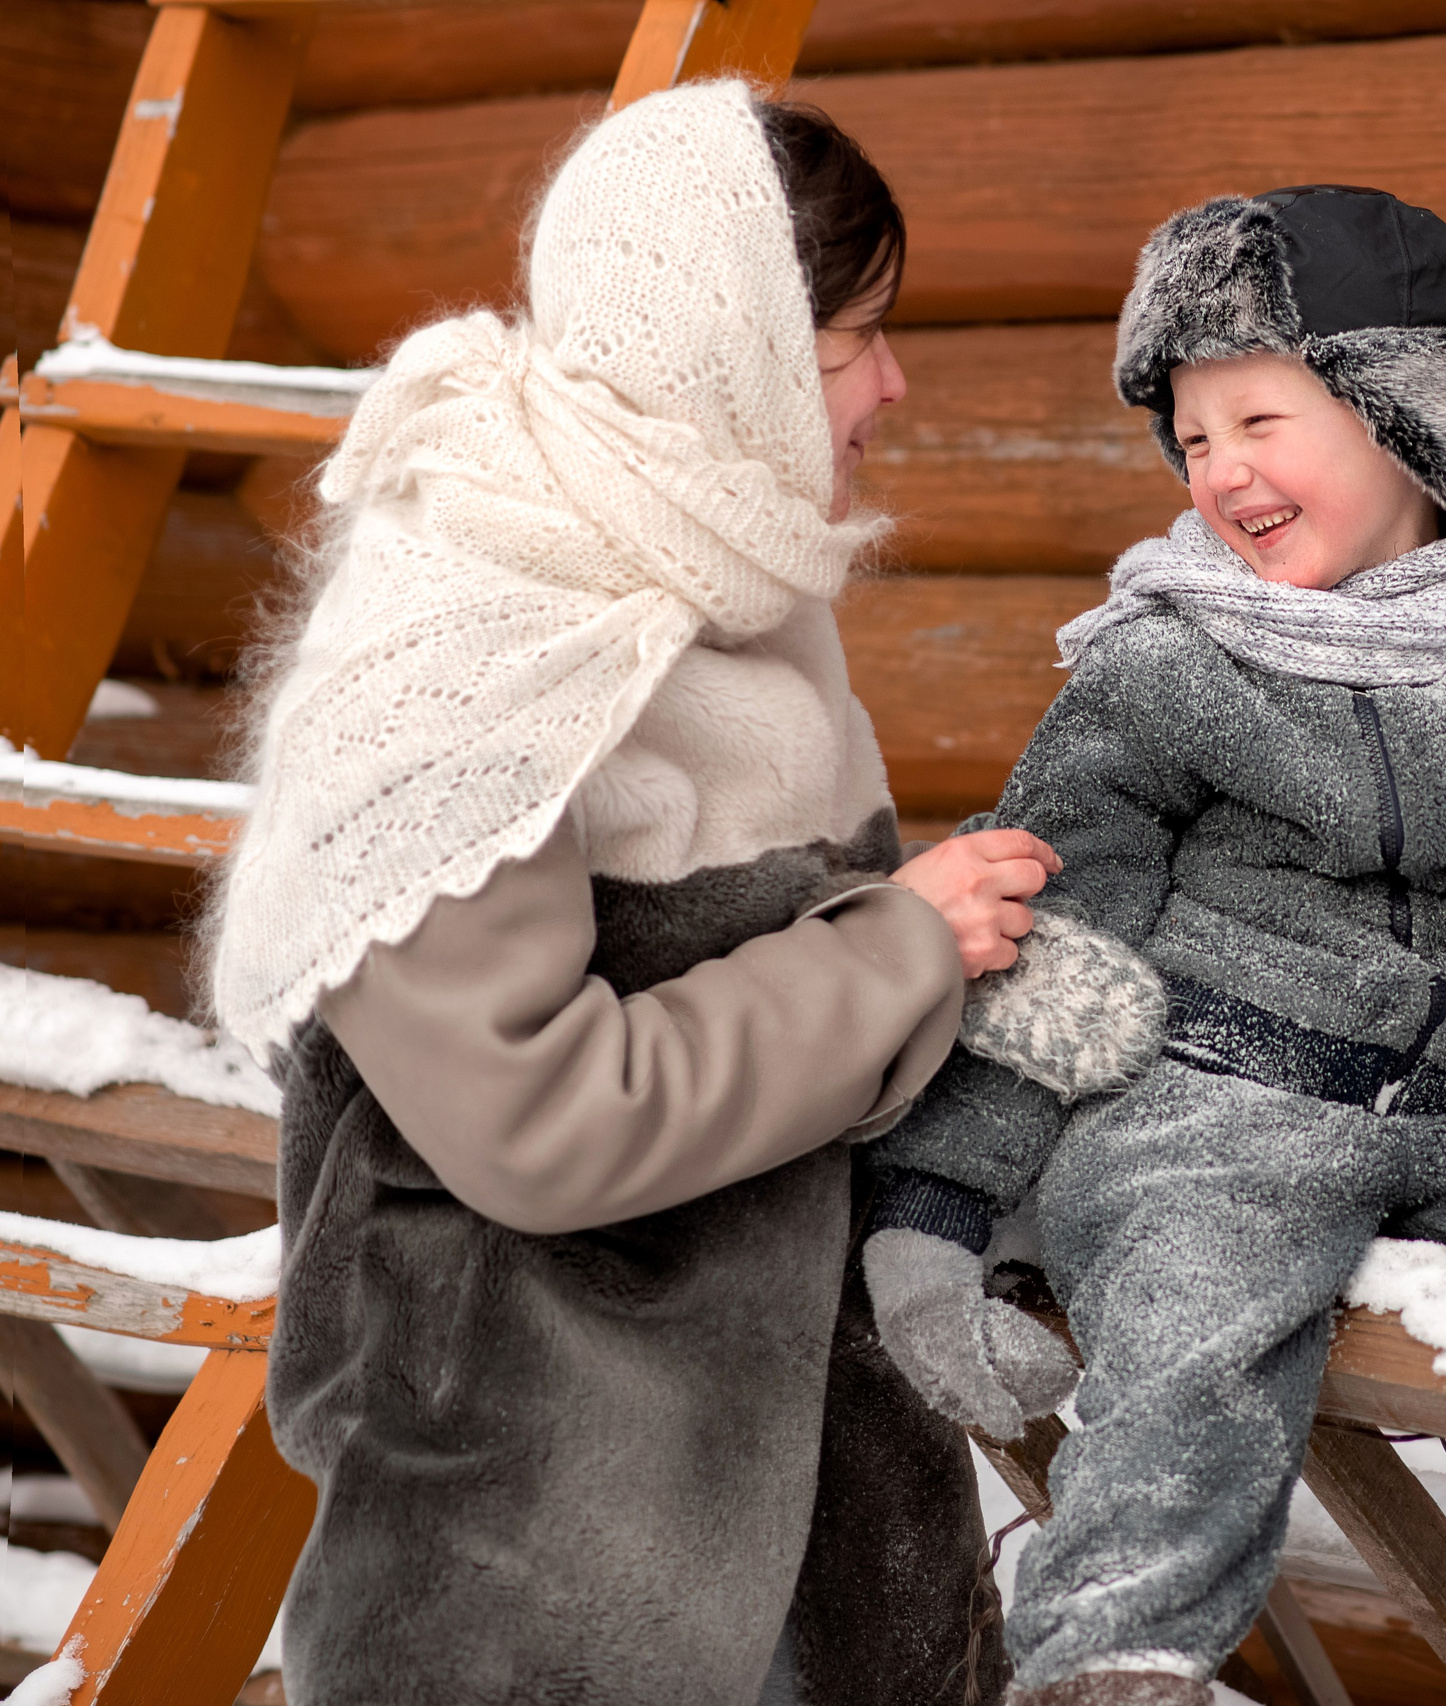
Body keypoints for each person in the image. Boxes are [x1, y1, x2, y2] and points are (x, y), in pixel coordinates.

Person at [854, 187, 1446, 1706]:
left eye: (1258, 418)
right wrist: (935, 1202)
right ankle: (1114, 1667)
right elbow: (1050, 939)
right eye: (1193, 434)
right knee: (1194, 1336)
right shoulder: (1162, 666)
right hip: (1201, 1120)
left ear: (1413, 423)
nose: (1219, 468)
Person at [209, 82, 1062, 1706]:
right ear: (730, 351)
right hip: (547, 1537)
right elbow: (537, 1119)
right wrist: (897, 951)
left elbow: (831, 957)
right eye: (857, 339)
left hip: (807, 1489)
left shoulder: (723, 565)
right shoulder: (469, 640)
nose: (895, 382)